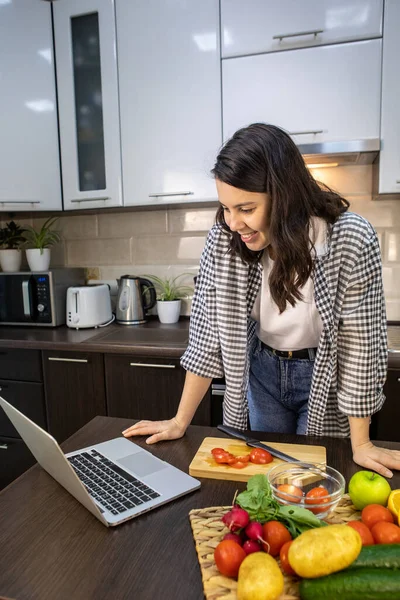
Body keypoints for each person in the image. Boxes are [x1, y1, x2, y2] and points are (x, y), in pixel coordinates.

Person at [123, 123, 400, 478]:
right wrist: (180, 422)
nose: (233, 222)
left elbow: (360, 344)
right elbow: (208, 334)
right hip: (263, 373)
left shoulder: (348, 238)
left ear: (284, 195)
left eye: (246, 208)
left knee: (312, 481)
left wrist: (361, 445)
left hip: (323, 376)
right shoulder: (225, 241)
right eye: (225, 207)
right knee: (267, 478)